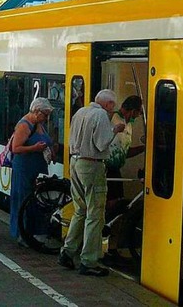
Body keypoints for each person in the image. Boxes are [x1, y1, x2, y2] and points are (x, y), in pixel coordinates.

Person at [58, 89, 119, 277]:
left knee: (80, 210)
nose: (112, 111)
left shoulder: (81, 112)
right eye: (112, 107)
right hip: (91, 165)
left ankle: (67, 251)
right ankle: (89, 261)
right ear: (108, 104)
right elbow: (101, 144)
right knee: (95, 213)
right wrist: (115, 130)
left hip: (75, 162)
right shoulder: (100, 115)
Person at [103, 95, 145, 265]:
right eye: (138, 113)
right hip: (107, 168)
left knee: (116, 205)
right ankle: (105, 246)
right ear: (132, 110)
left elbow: (124, 152)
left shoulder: (128, 124)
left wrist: (144, 149)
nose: (138, 117)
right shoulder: (112, 120)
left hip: (115, 167)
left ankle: (110, 246)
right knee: (112, 206)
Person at [9, 97, 54, 244]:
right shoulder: (24, 125)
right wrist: (34, 148)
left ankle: (34, 232)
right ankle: (22, 234)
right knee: (23, 200)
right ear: (36, 111)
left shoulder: (39, 123)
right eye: (45, 114)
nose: (46, 118)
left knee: (37, 201)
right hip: (24, 168)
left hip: (37, 167)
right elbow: (16, 148)